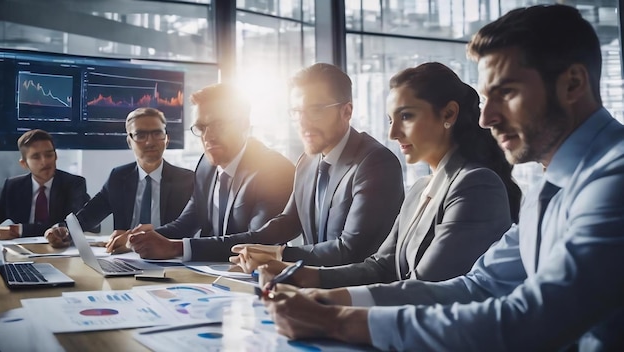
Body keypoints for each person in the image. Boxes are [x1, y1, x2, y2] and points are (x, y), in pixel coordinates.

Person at [263, 5, 624, 351]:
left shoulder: (614, 179)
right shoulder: (551, 185)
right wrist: (331, 298)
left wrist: (340, 321)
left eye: (507, 93)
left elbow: (535, 319)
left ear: (573, 84)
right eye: (486, 98)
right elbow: (478, 286)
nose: (487, 118)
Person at [238, 62, 521, 287]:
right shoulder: (421, 188)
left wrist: (331, 307)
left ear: (448, 114)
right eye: (390, 120)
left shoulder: (477, 185)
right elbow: (381, 266)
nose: (392, 133)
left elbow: (424, 288)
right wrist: (299, 274)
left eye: (406, 116)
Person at [124, 64, 404, 265]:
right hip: (308, 289)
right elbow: (282, 226)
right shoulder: (308, 161)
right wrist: (173, 245)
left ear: (347, 111)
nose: (303, 123)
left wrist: (278, 256)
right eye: (296, 112)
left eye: (315, 110)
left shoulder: (375, 163)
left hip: (355, 299)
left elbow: (351, 251)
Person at [105, 83, 295, 259]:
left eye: (218, 125)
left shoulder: (273, 169)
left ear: (243, 124)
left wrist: (176, 248)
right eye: (201, 128)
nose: (208, 136)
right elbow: (187, 223)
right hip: (208, 276)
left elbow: (258, 241)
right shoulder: (206, 165)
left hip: (255, 280)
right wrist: (139, 238)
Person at [44, 108, 194, 248]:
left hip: (171, 261)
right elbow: (88, 217)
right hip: (125, 261)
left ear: (166, 139)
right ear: (129, 141)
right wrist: (62, 230)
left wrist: (131, 238)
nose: (150, 142)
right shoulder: (119, 177)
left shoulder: (187, 180)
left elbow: (186, 229)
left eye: (157, 133)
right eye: (140, 135)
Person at [0, 129, 94, 239]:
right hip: (20, 249)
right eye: (36, 157)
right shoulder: (13, 186)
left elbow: (73, 226)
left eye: (49, 155)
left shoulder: (73, 184)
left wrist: (18, 230)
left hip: (60, 249)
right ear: (24, 163)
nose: (44, 161)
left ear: (55, 156)